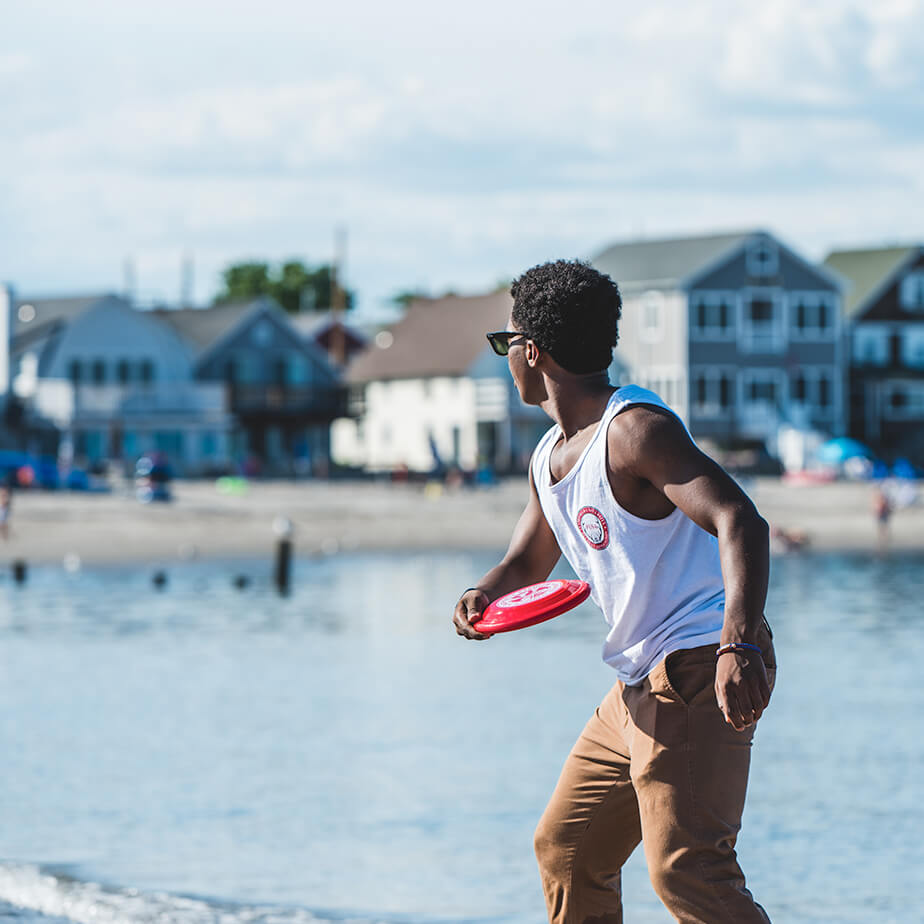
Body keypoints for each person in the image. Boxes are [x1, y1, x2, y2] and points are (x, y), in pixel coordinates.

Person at [453, 260, 776, 924]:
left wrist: (737, 642)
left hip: (696, 664)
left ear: (531, 352)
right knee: (568, 850)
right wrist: (481, 596)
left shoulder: (634, 431)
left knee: (689, 874)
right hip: (634, 683)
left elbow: (738, 518)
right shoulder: (551, 454)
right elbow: (526, 560)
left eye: (503, 344)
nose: (506, 358)